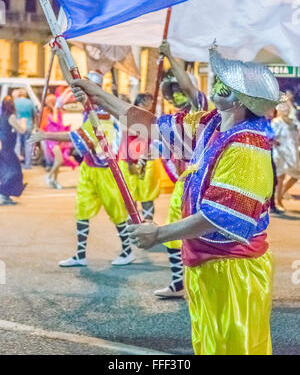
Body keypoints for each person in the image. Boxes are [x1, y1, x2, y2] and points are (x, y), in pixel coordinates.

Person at [71, 43, 280, 355]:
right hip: (205, 266)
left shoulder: (247, 147)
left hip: (235, 270)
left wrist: (159, 234)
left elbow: (220, 216)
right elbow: (149, 126)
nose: (215, 83)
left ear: (239, 99)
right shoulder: (211, 124)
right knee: (209, 346)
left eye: (224, 80)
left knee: (236, 348)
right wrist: (96, 94)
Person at [30, 72, 133, 267]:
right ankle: (80, 255)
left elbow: (78, 136)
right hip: (89, 167)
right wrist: (60, 52)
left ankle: (127, 251)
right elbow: (71, 82)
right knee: (82, 211)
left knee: (117, 212)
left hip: (106, 170)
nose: (79, 92)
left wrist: (45, 135)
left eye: (85, 88)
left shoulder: (102, 112)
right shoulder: (89, 109)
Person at [153, 40, 208, 298]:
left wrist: (170, 57)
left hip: (203, 183)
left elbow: (189, 88)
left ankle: (204, 283)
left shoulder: (203, 109)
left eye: (179, 86)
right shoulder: (178, 116)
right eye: (172, 87)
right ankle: (178, 283)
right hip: (184, 183)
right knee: (174, 232)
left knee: (200, 235)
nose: (177, 91)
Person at [118, 93, 161, 223]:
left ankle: (148, 224)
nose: (147, 105)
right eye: (144, 102)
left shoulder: (153, 119)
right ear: (137, 103)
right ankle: (131, 224)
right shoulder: (129, 117)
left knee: (147, 194)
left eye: (150, 102)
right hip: (129, 162)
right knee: (130, 194)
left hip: (147, 162)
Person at [42, 93, 78, 189]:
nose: (55, 103)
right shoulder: (46, 113)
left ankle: (55, 180)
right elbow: (53, 123)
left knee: (58, 161)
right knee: (59, 160)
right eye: (52, 102)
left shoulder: (58, 112)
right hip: (51, 140)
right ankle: (49, 176)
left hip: (57, 139)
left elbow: (60, 124)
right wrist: (54, 110)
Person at [271, 102, 300, 210]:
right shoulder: (276, 122)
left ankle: (281, 194)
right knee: (280, 177)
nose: (285, 110)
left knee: (296, 175)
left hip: (292, 154)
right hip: (280, 153)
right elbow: (271, 136)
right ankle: (278, 202)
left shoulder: (293, 122)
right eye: (283, 108)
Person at [0, 96, 26, 205]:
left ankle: (5, 195)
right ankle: (4, 194)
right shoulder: (11, 117)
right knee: (14, 172)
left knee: (6, 172)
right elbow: (22, 131)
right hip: (8, 149)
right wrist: (24, 122)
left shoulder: (1, 117)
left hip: (3, 148)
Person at [14, 88, 36, 169]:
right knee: (28, 144)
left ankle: (17, 163)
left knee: (17, 144)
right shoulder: (30, 102)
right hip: (28, 124)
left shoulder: (15, 102)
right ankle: (28, 164)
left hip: (18, 124)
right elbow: (34, 114)